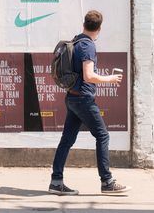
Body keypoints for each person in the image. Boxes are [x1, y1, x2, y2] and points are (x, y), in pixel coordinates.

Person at [49, 10, 131, 195]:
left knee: (67, 140)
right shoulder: (87, 46)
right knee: (102, 136)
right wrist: (110, 79)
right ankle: (107, 182)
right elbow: (89, 76)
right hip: (83, 99)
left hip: (72, 97)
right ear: (99, 28)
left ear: (84, 24)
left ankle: (56, 182)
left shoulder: (77, 40)